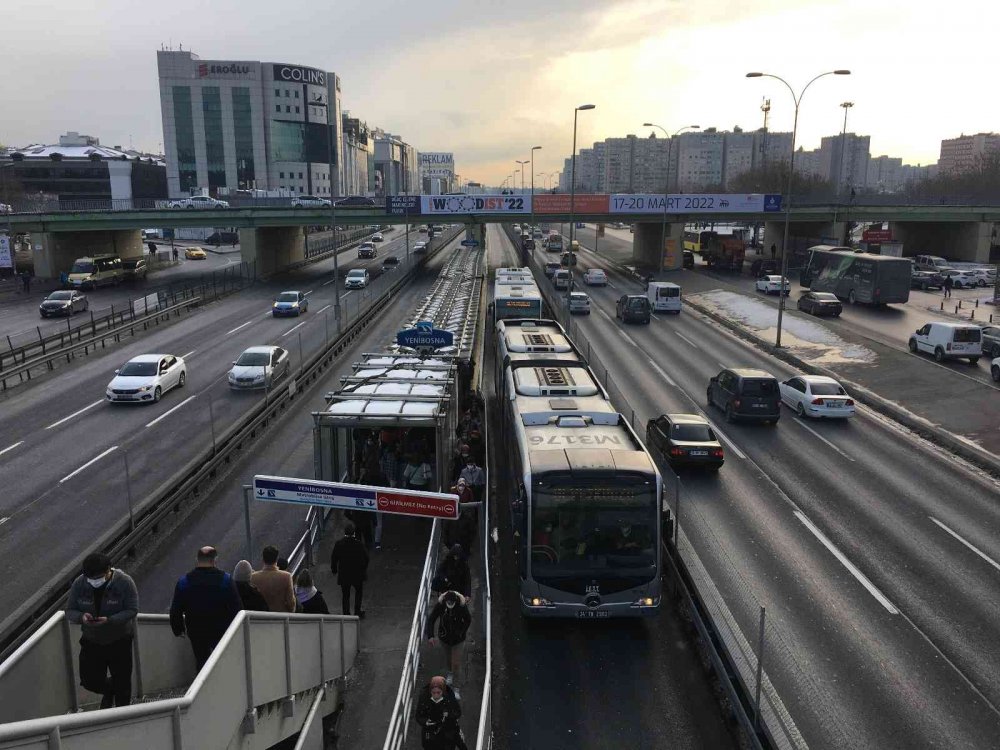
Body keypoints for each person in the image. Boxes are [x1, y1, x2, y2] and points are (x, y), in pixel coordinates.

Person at [66, 553, 139, 708]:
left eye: (98, 577)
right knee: (89, 681)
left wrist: (110, 620)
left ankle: (122, 715)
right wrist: (81, 617)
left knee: (123, 683)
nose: (94, 582)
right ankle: (110, 690)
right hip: (91, 640)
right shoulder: (80, 584)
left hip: (120, 640)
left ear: (108, 571)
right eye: (90, 578)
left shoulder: (124, 582)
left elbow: (132, 609)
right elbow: (70, 610)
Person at [169, 546, 242, 669]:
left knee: (201, 659)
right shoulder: (225, 580)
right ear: (215, 560)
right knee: (222, 659)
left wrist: (178, 628)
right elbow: (236, 607)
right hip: (221, 628)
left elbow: (176, 608)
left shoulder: (185, 582)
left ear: (197, 560)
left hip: (196, 628)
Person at [425, 591, 472, 699]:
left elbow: (468, 620)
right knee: (448, 659)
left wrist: (461, 632)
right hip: (444, 639)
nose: (450, 605)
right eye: (448, 602)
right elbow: (432, 619)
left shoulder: (461, 606)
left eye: (452, 603)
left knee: (456, 664)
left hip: (458, 641)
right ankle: (450, 673)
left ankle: (456, 688)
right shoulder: (441, 605)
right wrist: (430, 635)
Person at [414, 675, 466, 750]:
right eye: (433, 692)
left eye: (438, 692)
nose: (436, 695)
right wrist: (425, 722)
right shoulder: (424, 697)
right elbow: (418, 715)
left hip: (447, 732)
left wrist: (448, 715)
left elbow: (457, 712)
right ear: (430, 691)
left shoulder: (449, 696)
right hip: (431, 733)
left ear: (443, 691)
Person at [330, 522, 369, 617]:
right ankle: (357, 611)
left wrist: (334, 570)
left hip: (344, 574)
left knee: (345, 595)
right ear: (354, 533)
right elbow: (366, 558)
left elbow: (334, 558)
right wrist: (363, 569)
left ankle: (346, 613)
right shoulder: (359, 544)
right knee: (358, 592)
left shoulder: (339, 544)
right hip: (357, 574)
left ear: (345, 532)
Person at [250, 545, 296, 613]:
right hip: (281, 618)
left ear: (263, 559)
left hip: (260, 618)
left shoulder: (253, 577)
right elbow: (291, 602)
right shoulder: (286, 577)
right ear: (277, 559)